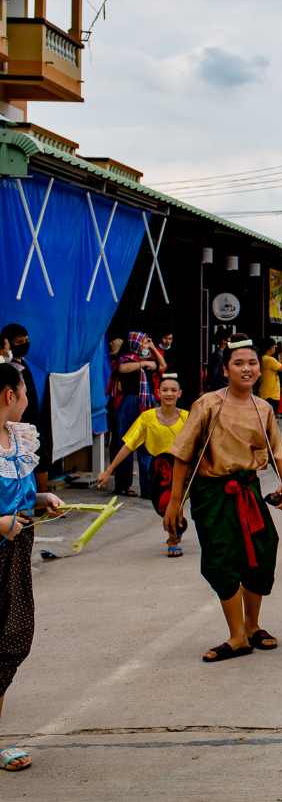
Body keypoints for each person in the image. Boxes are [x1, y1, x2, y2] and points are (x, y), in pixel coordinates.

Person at [164, 334, 282, 663]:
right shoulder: (207, 404)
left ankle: (252, 626)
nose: (246, 369)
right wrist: (175, 501)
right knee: (221, 558)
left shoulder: (262, 407)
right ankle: (236, 636)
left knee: (262, 551)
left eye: (252, 363)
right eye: (239, 363)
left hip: (247, 489)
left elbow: (277, 450)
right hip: (213, 492)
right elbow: (182, 454)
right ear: (226, 370)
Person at [0, 362, 65, 772]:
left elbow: (17, 495)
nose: (26, 400)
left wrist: (41, 499)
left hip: (16, 552)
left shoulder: (17, 439)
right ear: (10, 395)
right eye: (23, 392)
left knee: (9, 642)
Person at [95, 374, 189, 556]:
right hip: (158, 470)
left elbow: (200, 443)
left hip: (181, 468)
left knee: (174, 503)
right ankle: (177, 525)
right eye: (165, 390)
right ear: (158, 393)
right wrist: (109, 470)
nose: (169, 393)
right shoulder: (147, 418)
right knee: (163, 506)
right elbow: (129, 445)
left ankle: (173, 539)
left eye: (173, 390)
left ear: (180, 394)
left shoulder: (187, 418)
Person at [0, 325, 51, 493]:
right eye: (19, 342)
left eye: (26, 341)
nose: (25, 344)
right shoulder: (8, 370)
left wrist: (40, 500)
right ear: (10, 396)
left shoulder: (23, 366)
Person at [111, 332, 162, 497]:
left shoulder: (146, 361)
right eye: (143, 342)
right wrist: (142, 362)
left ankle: (147, 488)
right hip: (130, 403)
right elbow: (122, 368)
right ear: (135, 343)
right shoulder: (127, 359)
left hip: (147, 403)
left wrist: (153, 348)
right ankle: (123, 485)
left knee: (147, 445)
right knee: (126, 443)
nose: (145, 345)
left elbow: (161, 366)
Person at [257, 341, 282, 405]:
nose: (275, 349)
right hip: (271, 395)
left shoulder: (263, 358)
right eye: (274, 347)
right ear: (270, 347)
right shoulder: (269, 359)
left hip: (264, 393)